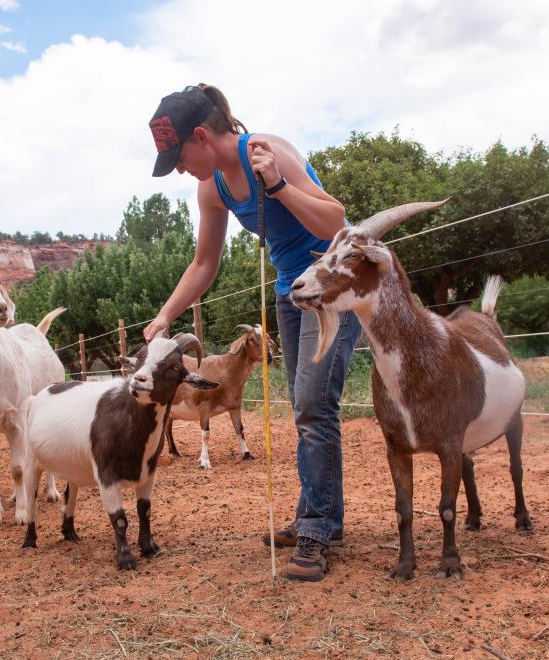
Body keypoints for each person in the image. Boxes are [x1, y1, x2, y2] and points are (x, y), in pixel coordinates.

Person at [144, 84, 361, 582]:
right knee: (306, 405)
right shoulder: (211, 187)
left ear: (201, 136)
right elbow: (205, 263)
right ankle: (324, 517)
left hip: (332, 285)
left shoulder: (269, 151)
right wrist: (165, 315)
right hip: (291, 291)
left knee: (311, 403)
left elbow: (336, 221)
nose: (179, 168)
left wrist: (280, 185)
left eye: (179, 156)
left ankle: (315, 528)